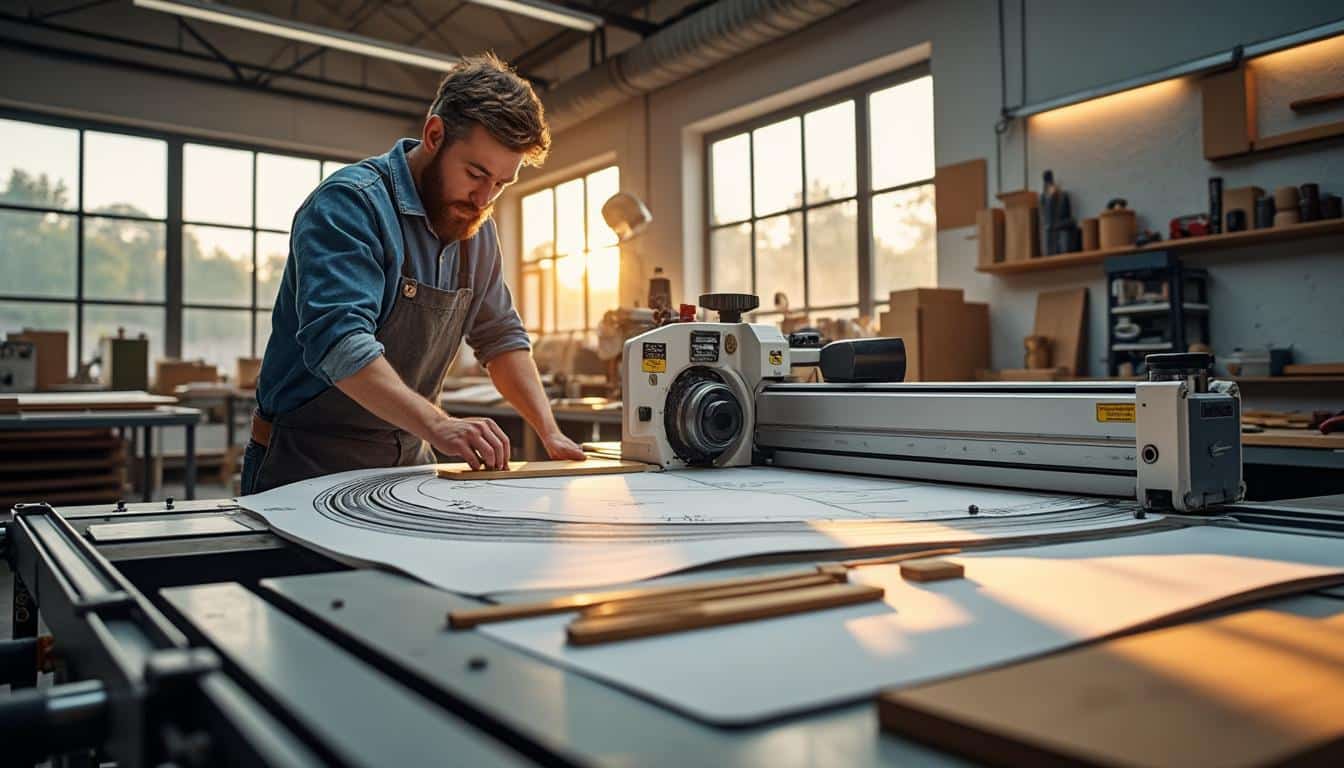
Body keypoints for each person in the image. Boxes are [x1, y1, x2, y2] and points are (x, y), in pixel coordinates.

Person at [242, 54, 584, 494]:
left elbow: (501, 338)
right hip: (305, 464)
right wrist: (440, 425)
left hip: (407, 464)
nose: (483, 199)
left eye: (501, 184)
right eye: (476, 173)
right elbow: (338, 341)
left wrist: (549, 431)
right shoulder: (350, 204)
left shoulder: (477, 233)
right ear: (435, 134)